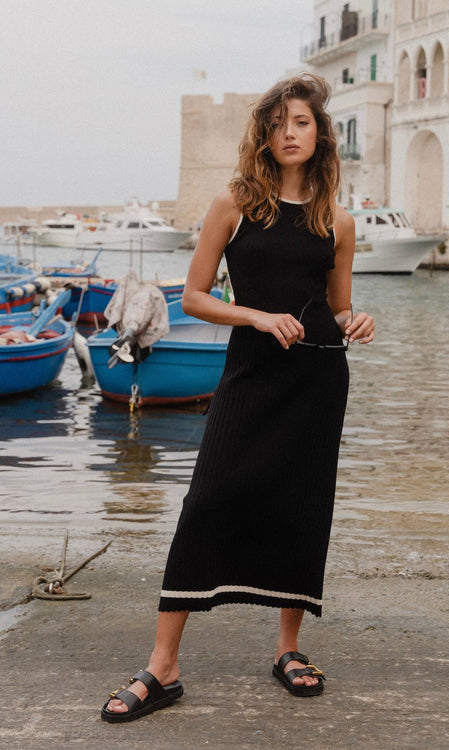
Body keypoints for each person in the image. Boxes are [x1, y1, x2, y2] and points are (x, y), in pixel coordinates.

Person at [101, 73, 374, 723]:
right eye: (279, 122)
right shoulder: (234, 203)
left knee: (303, 508)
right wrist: (254, 316)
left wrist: (359, 321)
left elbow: (338, 307)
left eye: (302, 122)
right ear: (263, 131)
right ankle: (162, 668)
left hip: (317, 380)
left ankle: (288, 650)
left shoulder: (338, 221)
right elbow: (194, 297)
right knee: (208, 502)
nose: (290, 132)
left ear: (320, 134)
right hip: (250, 375)